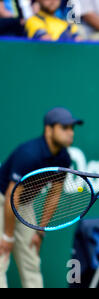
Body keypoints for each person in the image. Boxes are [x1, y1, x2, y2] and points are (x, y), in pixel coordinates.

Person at [0, 107, 83, 288]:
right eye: (65, 127)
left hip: (23, 203)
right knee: (1, 256)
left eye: (72, 128)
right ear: (48, 129)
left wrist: (40, 229)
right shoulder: (28, 154)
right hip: (3, 200)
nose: (70, 133)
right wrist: (7, 236)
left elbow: (54, 193)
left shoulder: (63, 158)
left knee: (31, 261)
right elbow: (10, 196)